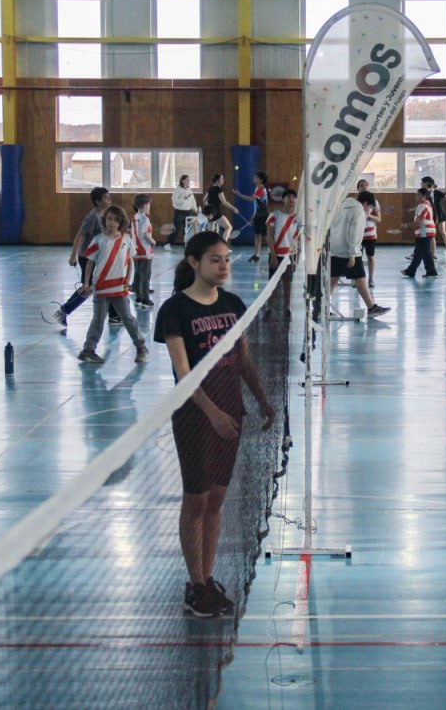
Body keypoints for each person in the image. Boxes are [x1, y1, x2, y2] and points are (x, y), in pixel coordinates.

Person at [153, 232, 274, 617]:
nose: (223, 266)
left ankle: (207, 578)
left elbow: (242, 360)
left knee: (217, 499)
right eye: (214, 260)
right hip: (195, 416)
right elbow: (184, 374)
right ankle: (196, 585)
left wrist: (261, 399)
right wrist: (213, 413)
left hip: (231, 411)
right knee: (196, 499)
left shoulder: (234, 304)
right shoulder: (175, 311)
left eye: (226, 259)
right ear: (194, 262)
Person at [77, 205, 148, 365]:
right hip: (101, 287)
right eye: (109, 219)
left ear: (120, 222)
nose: (112, 223)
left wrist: (128, 282)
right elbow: (90, 262)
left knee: (128, 318)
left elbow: (130, 262)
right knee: (98, 319)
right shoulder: (98, 240)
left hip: (119, 287)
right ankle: (88, 350)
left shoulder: (126, 240)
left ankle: (141, 347)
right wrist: (87, 282)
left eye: (116, 220)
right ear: (105, 220)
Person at [52, 187, 118, 328]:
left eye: (109, 197)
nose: (109, 199)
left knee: (102, 284)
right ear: (98, 201)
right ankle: (63, 311)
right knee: (88, 288)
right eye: (106, 198)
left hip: (98, 257)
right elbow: (80, 235)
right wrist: (73, 255)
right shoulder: (92, 217)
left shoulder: (106, 215)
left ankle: (115, 316)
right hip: (87, 257)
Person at [327, 190, 390, 318]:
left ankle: (322, 307)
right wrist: (353, 254)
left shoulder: (341, 206)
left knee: (334, 278)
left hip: (334, 248)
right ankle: (371, 307)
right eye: (371, 207)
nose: (370, 210)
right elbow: (355, 233)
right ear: (366, 204)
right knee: (360, 278)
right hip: (348, 250)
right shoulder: (359, 211)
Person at [401, 187, 438, 278]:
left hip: (424, 232)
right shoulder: (426, 204)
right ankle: (411, 271)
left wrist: (407, 225)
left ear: (424, 196)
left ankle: (431, 271)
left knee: (426, 252)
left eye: (418, 195)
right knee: (419, 252)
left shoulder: (423, 206)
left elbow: (420, 220)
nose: (416, 196)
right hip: (425, 231)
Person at [234, 171, 270, 262]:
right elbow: (256, 205)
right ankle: (257, 255)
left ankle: (273, 252)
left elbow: (251, 199)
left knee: (266, 236)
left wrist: (239, 194)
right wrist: (253, 216)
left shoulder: (261, 189)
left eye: (256, 177)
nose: (254, 178)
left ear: (260, 180)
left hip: (264, 215)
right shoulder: (256, 188)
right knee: (257, 235)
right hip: (258, 215)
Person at [130, 193, 154, 309]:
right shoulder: (144, 218)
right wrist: (153, 241)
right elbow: (143, 234)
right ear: (145, 205)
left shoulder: (135, 217)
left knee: (138, 274)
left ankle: (139, 296)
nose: (149, 206)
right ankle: (145, 299)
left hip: (136, 250)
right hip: (145, 251)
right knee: (145, 276)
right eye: (149, 204)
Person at [357, 188, 382, 288]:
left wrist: (368, 215)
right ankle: (357, 278)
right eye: (361, 185)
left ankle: (371, 279)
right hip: (358, 234)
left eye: (365, 185)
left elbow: (379, 219)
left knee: (370, 256)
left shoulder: (374, 202)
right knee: (357, 257)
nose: (364, 187)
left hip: (370, 234)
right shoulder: (356, 204)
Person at [421, 176, 446, 252]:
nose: (421, 184)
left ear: (427, 183)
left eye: (422, 182)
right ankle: (428, 250)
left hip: (440, 214)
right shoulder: (425, 193)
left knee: (442, 231)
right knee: (430, 233)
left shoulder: (436, 192)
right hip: (431, 215)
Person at [170, 175, 199, 249]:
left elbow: (193, 201)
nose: (188, 181)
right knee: (176, 229)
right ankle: (168, 244)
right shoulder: (177, 190)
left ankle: (187, 244)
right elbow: (175, 201)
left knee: (188, 230)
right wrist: (184, 198)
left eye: (189, 180)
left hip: (188, 212)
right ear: (182, 180)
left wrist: (195, 209)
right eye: (187, 180)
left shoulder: (189, 189)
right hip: (179, 212)